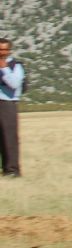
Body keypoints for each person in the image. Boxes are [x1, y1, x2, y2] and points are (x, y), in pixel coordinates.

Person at [0, 38, 25, 177]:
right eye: (0, 50)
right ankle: (5, 169)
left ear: (9, 50)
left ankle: (13, 170)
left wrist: (4, 68)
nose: (2, 52)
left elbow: (15, 84)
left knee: (9, 138)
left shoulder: (16, 66)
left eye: (4, 49)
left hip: (7, 103)